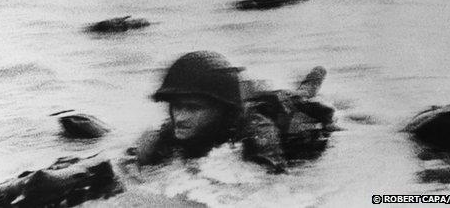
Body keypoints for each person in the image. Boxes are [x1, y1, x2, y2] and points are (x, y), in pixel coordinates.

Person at [123, 51, 335, 174]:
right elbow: (130, 164)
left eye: (193, 108)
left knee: (301, 100)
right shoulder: (176, 128)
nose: (180, 117)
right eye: (176, 106)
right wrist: (141, 155)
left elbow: (272, 185)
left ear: (222, 109)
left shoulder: (257, 129)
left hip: (291, 125)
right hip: (243, 99)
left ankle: (313, 81)